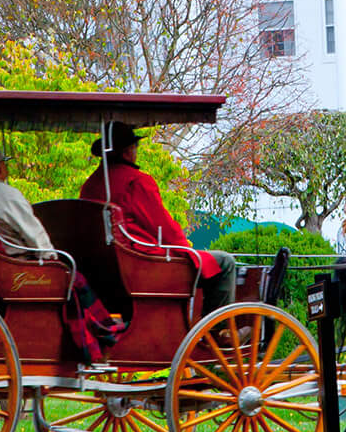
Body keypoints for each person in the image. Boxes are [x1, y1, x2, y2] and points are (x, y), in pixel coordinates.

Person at [0, 146, 123, 360]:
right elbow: (37, 238)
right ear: (1, 169)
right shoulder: (7, 195)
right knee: (72, 277)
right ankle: (100, 334)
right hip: (14, 270)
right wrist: (52, 259)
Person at [80, 122, 236, 314]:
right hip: (142, 262)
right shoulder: (136, 181)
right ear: (127, 151)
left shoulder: (89, 185)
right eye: (134, 146)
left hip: (103, 268)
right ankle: (219, 332)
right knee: (226, 262)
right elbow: (163, 227)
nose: (135, 151)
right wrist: (187, 251)